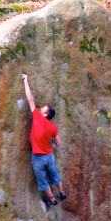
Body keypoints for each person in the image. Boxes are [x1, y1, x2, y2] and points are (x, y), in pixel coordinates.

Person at [22, 74, 66, 206]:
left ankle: (52, 199)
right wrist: (48, 139)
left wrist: (26, 81)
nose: (40, 108)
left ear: (45, 114)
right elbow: (58, 143)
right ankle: (61, 192)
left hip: (38, 157)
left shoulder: (37, 117)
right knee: (54, 174)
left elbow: (30, 98)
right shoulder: (53, 127)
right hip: (49, 155)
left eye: (43, 109)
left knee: (42, 179)